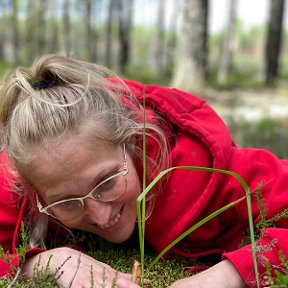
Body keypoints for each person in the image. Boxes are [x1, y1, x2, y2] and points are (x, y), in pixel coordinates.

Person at [0, 54, 288, 288]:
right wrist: (41, 262)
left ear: (132, 141)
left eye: (107, 182)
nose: (101, 216)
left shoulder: (205, 167)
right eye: (67, 202)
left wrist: (233, 273)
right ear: (34, 192)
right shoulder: (24, 174)